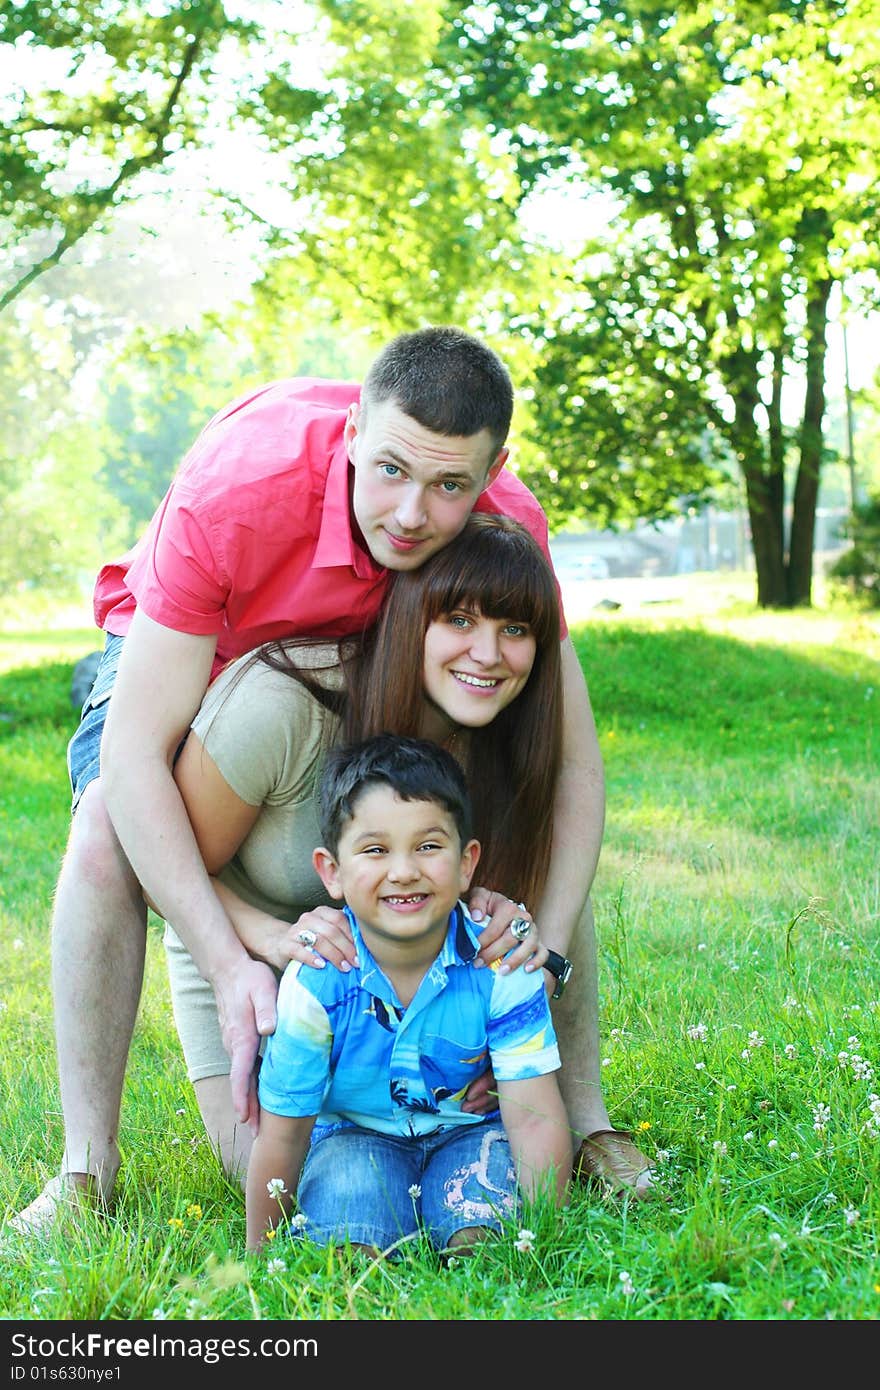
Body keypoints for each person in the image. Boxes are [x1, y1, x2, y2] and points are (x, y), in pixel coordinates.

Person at [8, 324, 650, 1238]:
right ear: (353, 431)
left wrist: (536, 954)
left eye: (449, 486)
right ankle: (84, 1170)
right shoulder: (237, 492)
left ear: (493, 471)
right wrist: (243, 955)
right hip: (204, 651)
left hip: (375, 664)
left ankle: (589, 1126)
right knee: (111, 821)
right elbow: (134, 754)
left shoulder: (507, 524)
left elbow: (574, 761)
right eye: (390, 470)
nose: (413, 515)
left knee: (529, 835)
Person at [165, 515, 648, 1199]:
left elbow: (547, 836)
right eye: (459, 620)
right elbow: (164, 867)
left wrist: (528, 954)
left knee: (496, 1186)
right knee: (285, 1186)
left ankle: (588, 1124)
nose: (487, 653)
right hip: (264, 961)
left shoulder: (503, 727)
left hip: (432, 963)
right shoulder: (281, 704)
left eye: (515, 631)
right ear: (409, 619)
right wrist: (266, 942)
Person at [245, 733, 571, 1256]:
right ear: (331, 871)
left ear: (467, 863)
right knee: (349, 1248)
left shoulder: (501, 964)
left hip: (469, 1131)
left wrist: (545, 1242)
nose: (404, 871)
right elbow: (283, 1136)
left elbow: (534, 1117)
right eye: (375, 850)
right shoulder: (316, 984)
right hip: (355, 1138)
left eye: (428, 846)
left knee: (484, 1240)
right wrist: (259, 1258)